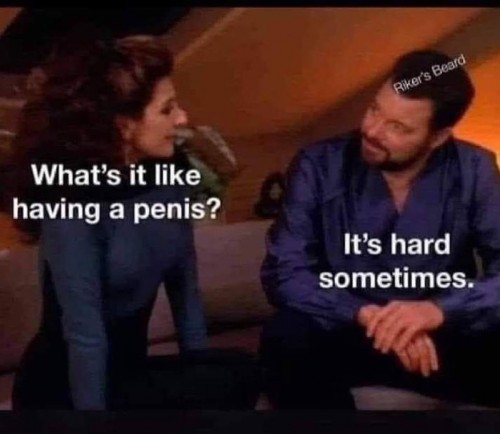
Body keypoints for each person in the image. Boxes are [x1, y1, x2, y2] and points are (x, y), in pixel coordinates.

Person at [6, 34, 259, 410]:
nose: (182, 119)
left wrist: (198, 373)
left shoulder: (171, 182)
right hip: (64, 388)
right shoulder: (71, 205)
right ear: (124, 126)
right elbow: (85, 337)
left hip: (128, 372)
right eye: (167, 109)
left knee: (240, 372)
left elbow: (186, 296)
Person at [260, 50, 500, 409]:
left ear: (438, 137)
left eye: (397, 127)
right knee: (286, 336)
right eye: (374, 109)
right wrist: (368, 315)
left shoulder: (475, 168)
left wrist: (436, 310)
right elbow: (284, 272)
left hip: (439, 335)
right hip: (346, 328)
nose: (371, 131)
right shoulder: (319, 164)